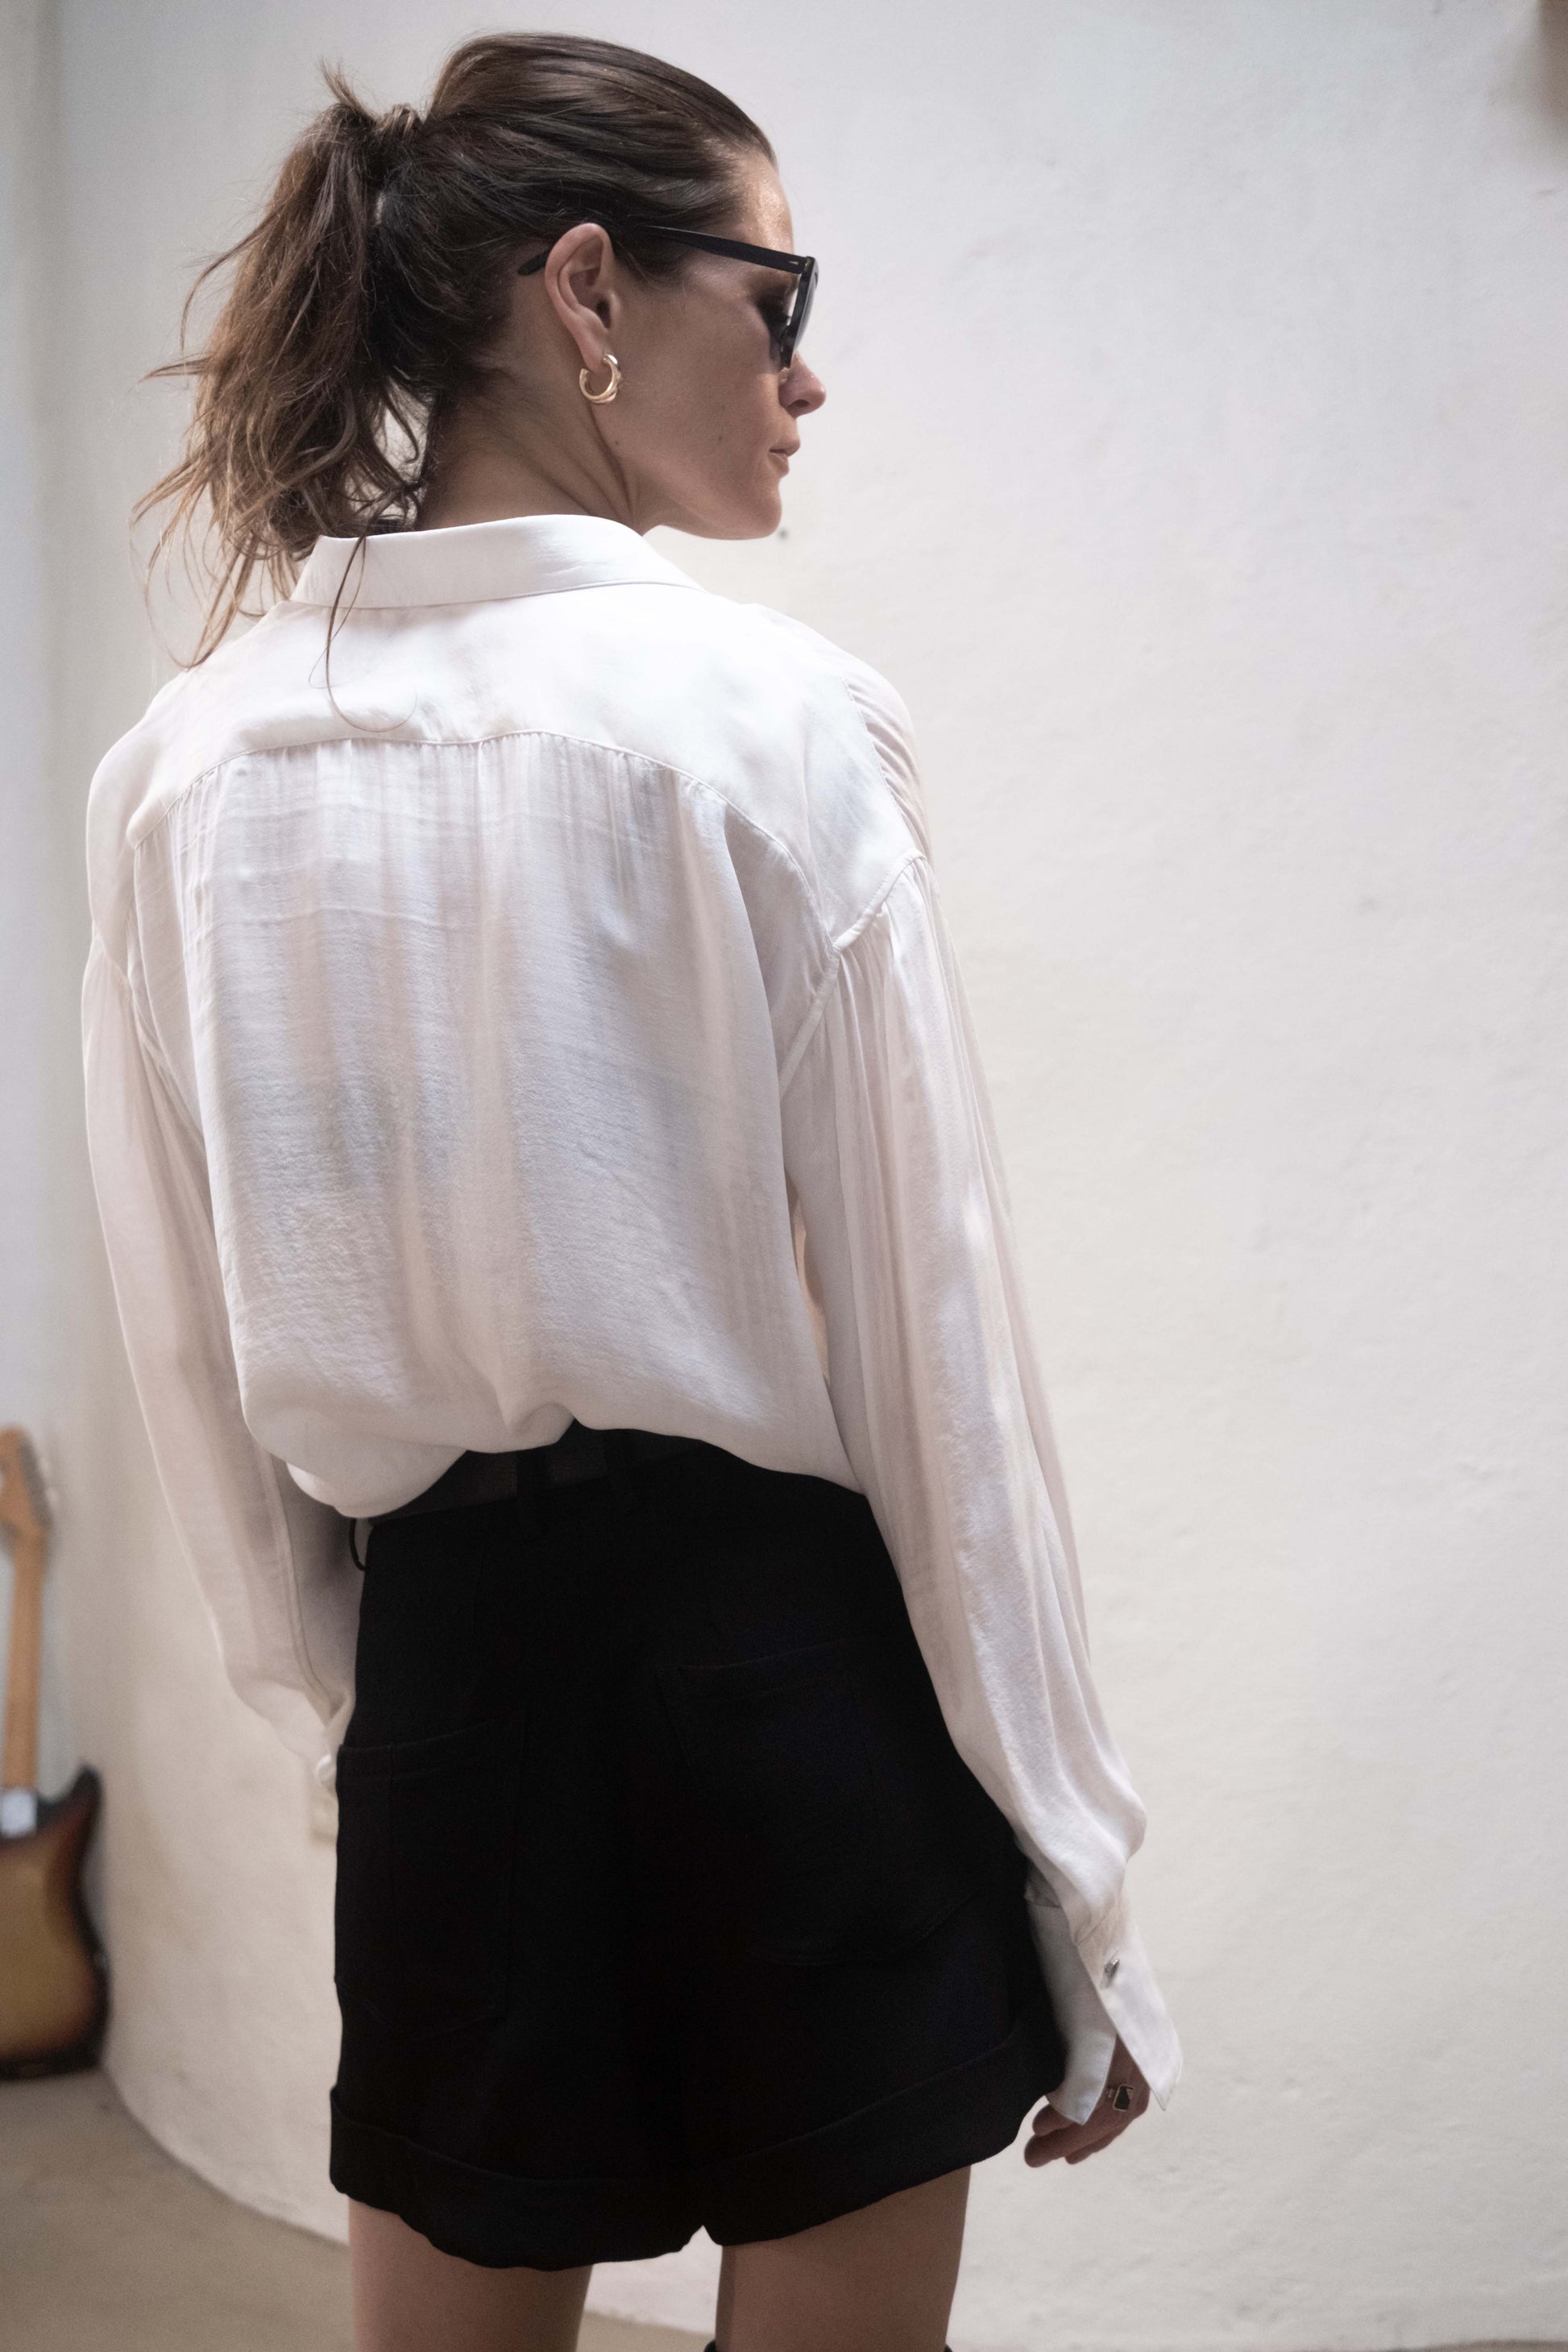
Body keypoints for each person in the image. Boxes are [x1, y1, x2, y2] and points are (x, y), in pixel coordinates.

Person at [81, 32, 1180, 2352]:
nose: (807, 377)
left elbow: (187, 1350)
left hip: (450, 1690)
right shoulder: (776, 725)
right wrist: (1074, 1863)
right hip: (789, 1679)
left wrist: (368, 1727)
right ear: (586, 290)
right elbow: (936, 1356)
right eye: (778, 300)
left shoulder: (183, 767)